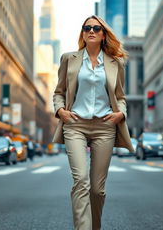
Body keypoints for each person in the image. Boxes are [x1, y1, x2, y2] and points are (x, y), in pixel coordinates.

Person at [53, 15, 134, 230]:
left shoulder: (116, 63)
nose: (91, 31)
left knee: (97, 190)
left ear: (103, 34)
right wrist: (61, 111)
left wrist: (120, 114)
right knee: (80, 181)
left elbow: (121, 96)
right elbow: (59, 92)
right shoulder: (69, 58)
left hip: (104, 127)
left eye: (96, 28)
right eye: (86, 27)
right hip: (75, 125)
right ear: (82, 32)